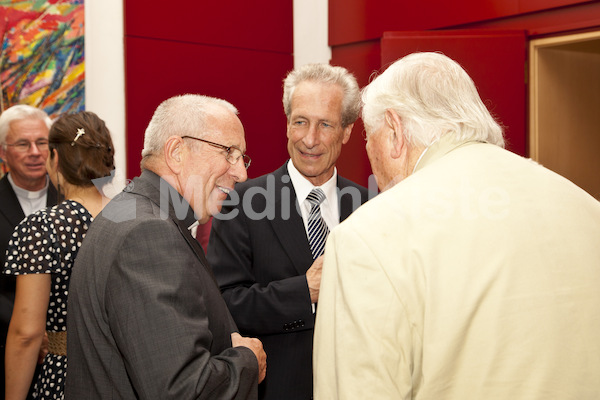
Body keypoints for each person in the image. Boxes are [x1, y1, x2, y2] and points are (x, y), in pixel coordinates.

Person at [313, 52, 600, 399]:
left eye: (367, 139)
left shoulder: (368, 236)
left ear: (394, 130)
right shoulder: (586, 207)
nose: (371, 166)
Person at [66, 94, 267, 400]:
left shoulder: (131, 211)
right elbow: (183, 390)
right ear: (176, 152)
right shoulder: (149, 234)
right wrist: (247, 360)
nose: (242, 173)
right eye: (229, 152)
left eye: (242, 157)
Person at [207, 63, 370, 400]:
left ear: (347, 131)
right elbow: (225, 305)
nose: (310, 140)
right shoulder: (242, 203)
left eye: (325, 124)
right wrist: (303, 291)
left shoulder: (371, 207)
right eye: (300, 122)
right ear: (287, 123)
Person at [3, 111, 115, 400]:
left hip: (68, 375)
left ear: (55, 158)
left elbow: (27, 334)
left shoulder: (43, 227)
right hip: (128, 372)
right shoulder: (139, 213)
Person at [0, 104, 57, 398]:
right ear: (3, 152)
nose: (35, 152)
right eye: (23, 143)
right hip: (7, 352)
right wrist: (30, 329)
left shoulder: (76, 202)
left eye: (42, 142)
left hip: (70, 357)